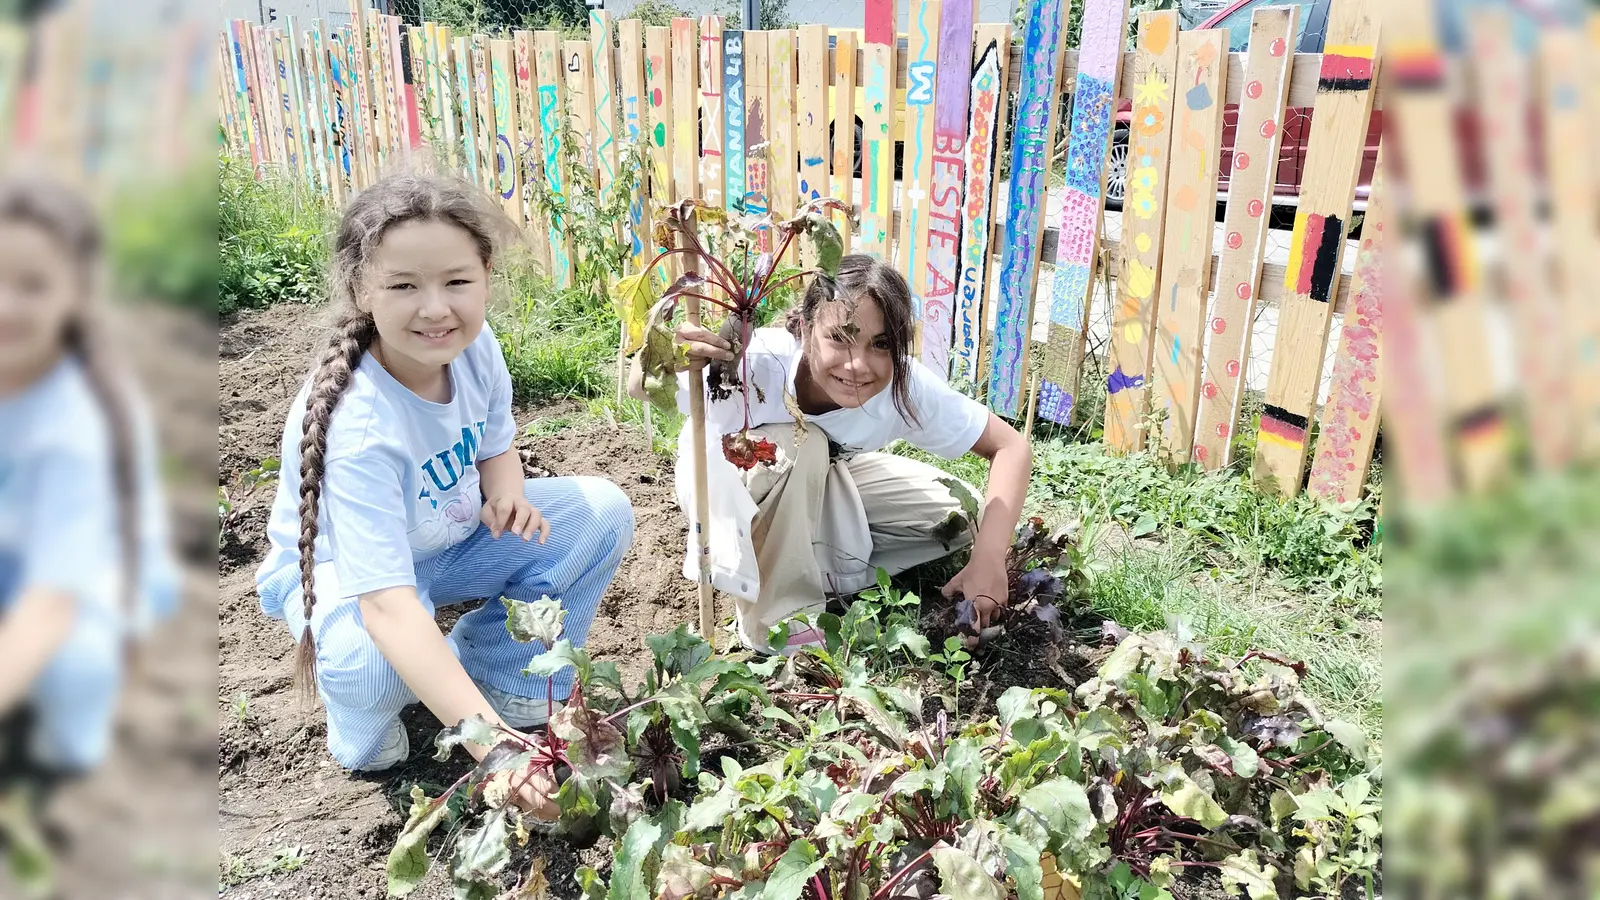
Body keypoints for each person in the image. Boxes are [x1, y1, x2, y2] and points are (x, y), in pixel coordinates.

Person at [254, 174, 633, 794]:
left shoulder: (476, 345)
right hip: (349, 583)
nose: (436, 308)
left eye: (457, 282)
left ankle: (500, 678)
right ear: (361, 290)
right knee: (379, 663)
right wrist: (494, 753)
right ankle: (361, 723)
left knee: (599, 512)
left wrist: (506, 489)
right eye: (404, 286)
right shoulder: (361, 424)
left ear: (485, 275)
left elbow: (496, 440)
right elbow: (389, 608)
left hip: (443, 549)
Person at [628, 254, 1031, 652]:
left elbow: (1010, 446)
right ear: (805, 329)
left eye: (880, 344)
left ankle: (809, 568)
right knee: (810, 443)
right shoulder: (758, 360)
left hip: (816, 485)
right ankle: (779, 622)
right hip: (726, 489)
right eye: (840, 337)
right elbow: (639, 386)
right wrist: (671, 355)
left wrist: (989, 558)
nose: (858, 364)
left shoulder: (904, 388)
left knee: (960, 517)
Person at [0, 175, 179, 787]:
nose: (6, 305)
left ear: (74, 295)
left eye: (31, 285)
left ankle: (72, 731)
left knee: (72, 670)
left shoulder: (77, 419)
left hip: (88, 584)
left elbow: (54, 597)